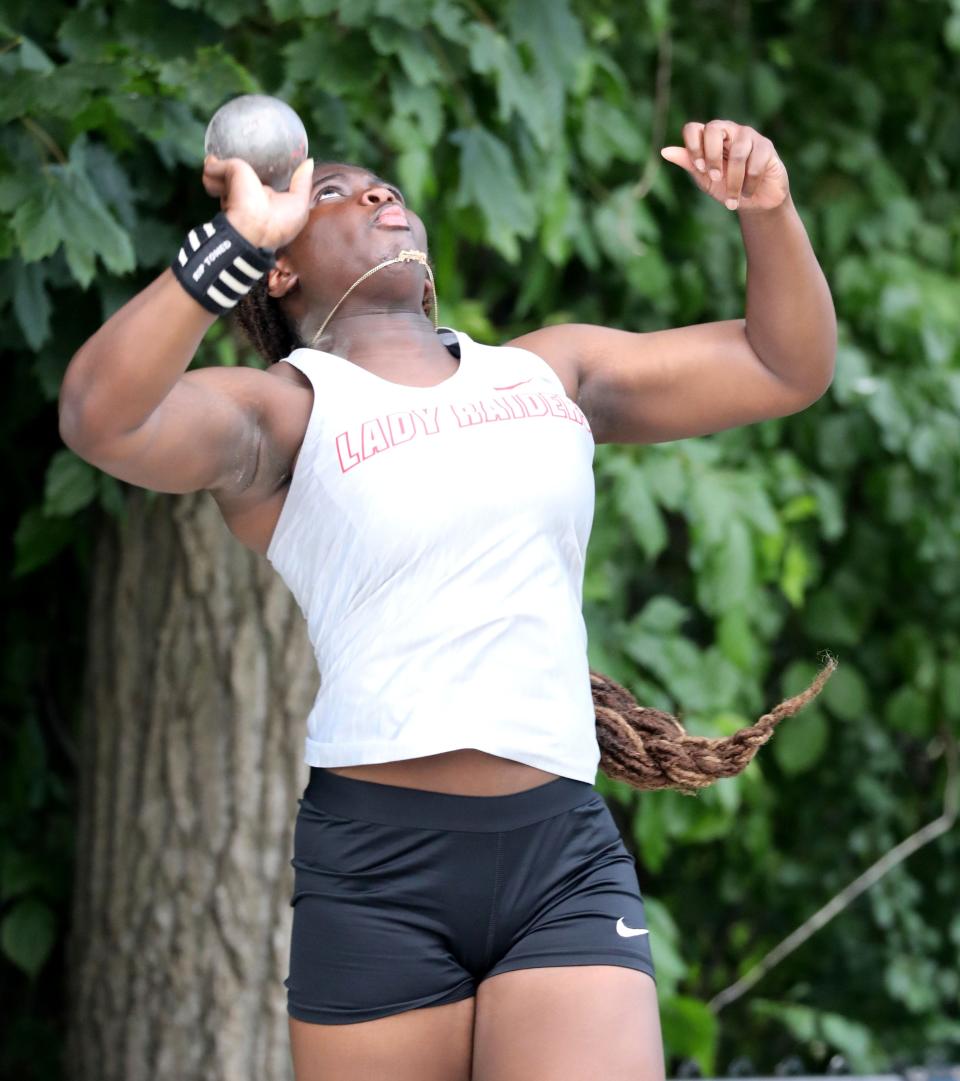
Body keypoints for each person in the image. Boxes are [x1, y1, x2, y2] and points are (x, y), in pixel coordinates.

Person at [59, 116, 837, 1081]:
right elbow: (101, 416)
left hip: (558, 850)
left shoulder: (551, 371)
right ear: (282, 271)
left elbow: (784, 364)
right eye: (335, 193)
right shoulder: (285, 415)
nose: (379, 193)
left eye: (383, 184)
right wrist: (233, 242)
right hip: (377, 869)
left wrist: (769, 211)